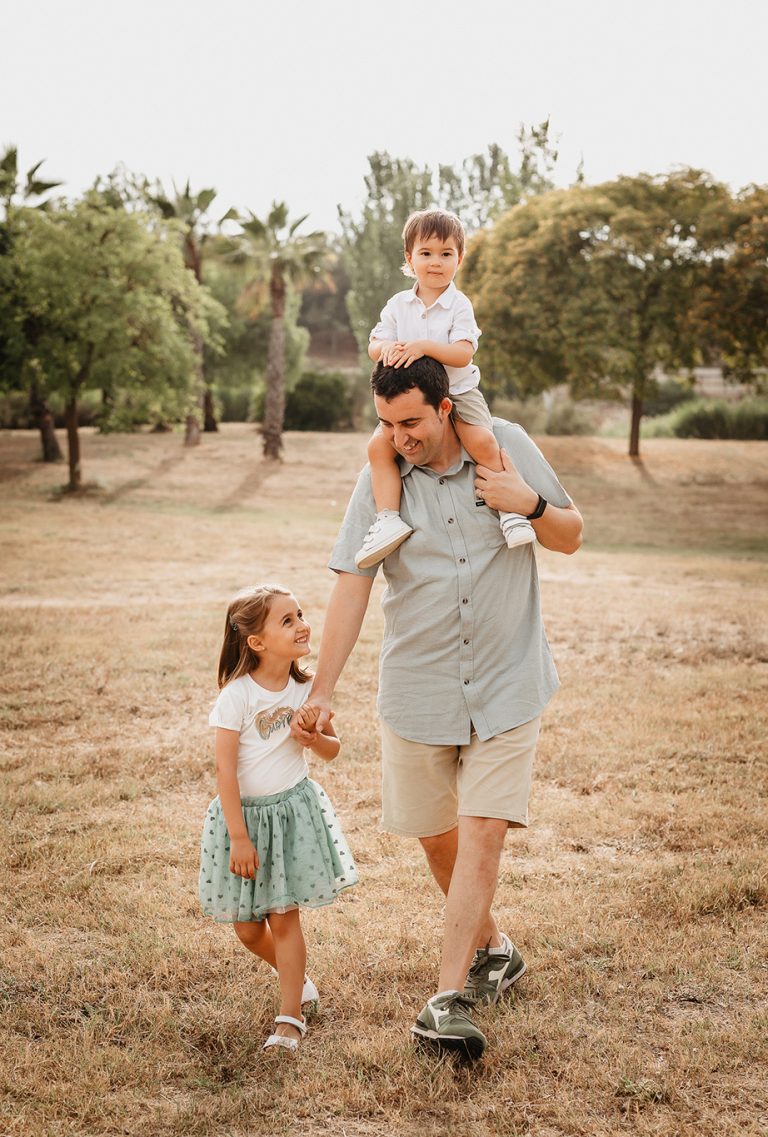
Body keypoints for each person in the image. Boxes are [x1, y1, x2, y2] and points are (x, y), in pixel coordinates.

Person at [305, 356, 582, 1061]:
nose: (399, 437)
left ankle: (444, 1001)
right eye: (386, 423)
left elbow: (572, 533)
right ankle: (495, 949)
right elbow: (351, 584)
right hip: (419, 687)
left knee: (482, 832)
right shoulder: (382, 482)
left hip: (507, 682)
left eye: (412, 422)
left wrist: (531, 502)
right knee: (436, 836)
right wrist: (322, 689)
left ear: (446, 407)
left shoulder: (506, 443)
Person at [198, 584, 358, 1053]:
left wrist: (313, 739)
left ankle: (290, 1017)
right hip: (244, 822)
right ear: (257, 642)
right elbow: (225, 770)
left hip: (291, 816)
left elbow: (333, 748)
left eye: (301, 614)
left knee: (284, 917)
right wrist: (239, 837)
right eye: (286, 620)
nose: (302, 625)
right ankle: (296, 976)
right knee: (248, 926)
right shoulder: (238, 697)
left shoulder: (308, 688)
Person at [355, 207, 534, 570]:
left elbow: (463, 354)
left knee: (483, 441)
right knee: (378, 447)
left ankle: (509, 514)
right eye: (425, 253)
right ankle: (388, 518)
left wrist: (422, 346)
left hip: (458, 392)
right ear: (409, 258)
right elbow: (374, 344)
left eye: (446, 254)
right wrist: (384, 349)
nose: (435, 263)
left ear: (459, 258)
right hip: (413, 400)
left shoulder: (459, 305)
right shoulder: (398, 305)